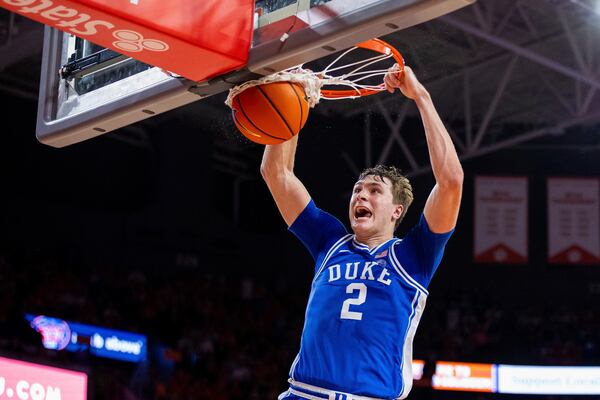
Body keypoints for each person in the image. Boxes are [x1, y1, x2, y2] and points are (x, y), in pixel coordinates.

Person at [260, 65, 463, 400]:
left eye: (374, 190)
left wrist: (421, 97)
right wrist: (292, 101)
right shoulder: (330, 240)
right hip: (302, 394)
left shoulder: (414, 255)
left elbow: (452, 182)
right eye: (357, 190)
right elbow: (275, 172)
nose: (361, 195)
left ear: (397, 211)